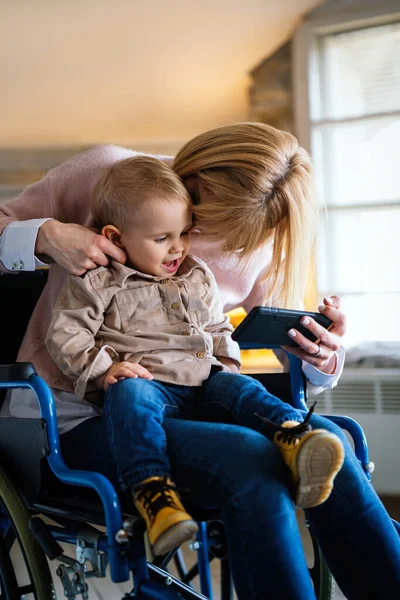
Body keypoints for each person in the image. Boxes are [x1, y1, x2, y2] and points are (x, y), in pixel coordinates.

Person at [0, 122, 399, 598]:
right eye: (199, 211)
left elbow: (286, 355)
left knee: (329, 437)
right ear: (197, 165)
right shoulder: (104, 174)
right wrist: (46, 235)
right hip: (76, 412)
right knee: (249, 461)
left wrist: (320, 355)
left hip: (190, 399)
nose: (191, 238)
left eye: (224, 232)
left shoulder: (256, 235)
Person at [45, 155, 344, 556]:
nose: (178, 248)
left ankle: (296, 435)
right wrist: (105, 370)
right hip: (149, 384)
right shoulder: (97, 281)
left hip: (203, 381)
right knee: (129, 394)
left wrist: (227, 364)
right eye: (162, 238)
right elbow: (65, 333)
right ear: (116, 238)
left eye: (184, 233)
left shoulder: (195, 273)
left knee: (242, 387)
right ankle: (157, 497)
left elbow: (218, 326)